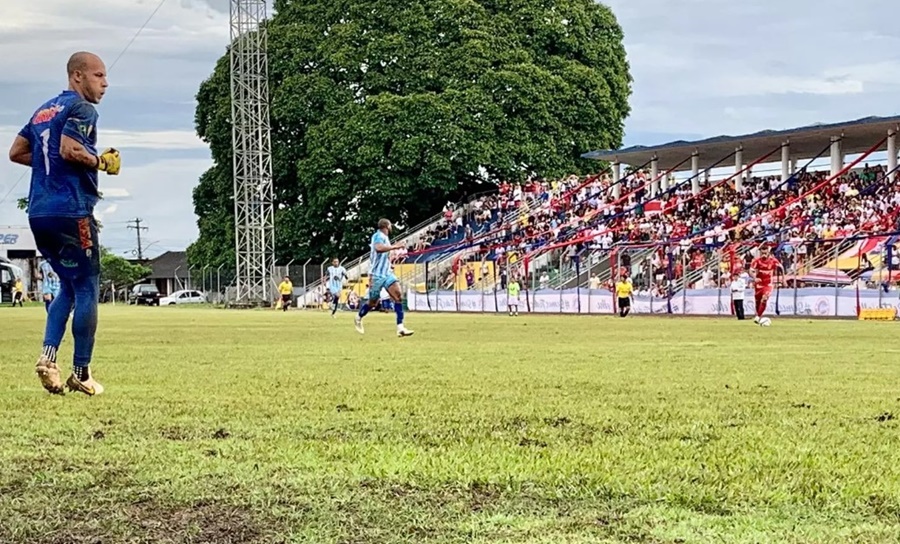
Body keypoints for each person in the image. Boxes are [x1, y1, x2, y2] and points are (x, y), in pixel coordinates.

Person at [7, 51, 118, 396]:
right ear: (77, 76)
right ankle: (81, 372)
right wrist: (101, 162)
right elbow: (70, 150)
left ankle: (47, 358)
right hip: (72, 210)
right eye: (98, 75)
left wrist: (47, 165)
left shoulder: (43, 110)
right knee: (86, 286)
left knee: (68, 287)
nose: (105, 82)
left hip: (40, 212)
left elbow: (17, 151)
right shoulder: (83, 109)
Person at [355, 219, 414, 337]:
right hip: (376, 274)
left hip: (387, 273)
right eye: (391, 225)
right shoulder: (377, 236)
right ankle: (358, 317)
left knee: (398, 296)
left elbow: (383, 254)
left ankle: (400, 327)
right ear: (387, 226)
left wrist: (389, 263)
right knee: (373, 302)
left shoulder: (386, 238)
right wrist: (395, 247)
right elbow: (378, 248)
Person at [749, 244, 783, 324]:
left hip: (768, 284)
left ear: (768, 252)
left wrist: (782, 280)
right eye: (762, 252)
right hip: (759, 284)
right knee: (757, 301)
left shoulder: (773, 261)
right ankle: (758, 314)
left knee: (764, 298)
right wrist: (755, 278)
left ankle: (758, 317)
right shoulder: (756, 261)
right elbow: (751, 271)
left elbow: (781, 268)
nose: (764, 254)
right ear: (760, 252)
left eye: (765, 252)